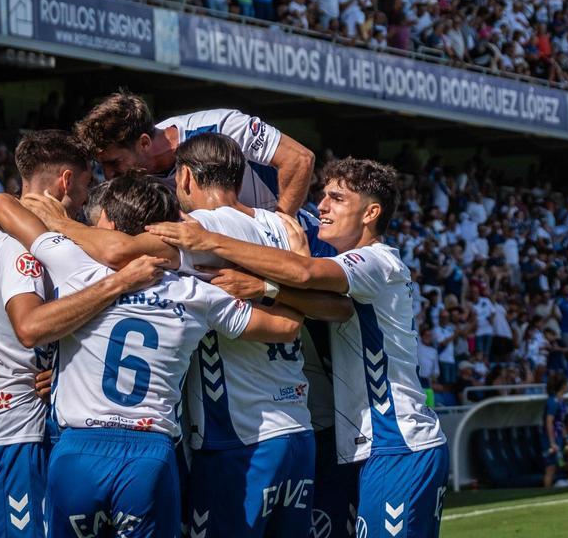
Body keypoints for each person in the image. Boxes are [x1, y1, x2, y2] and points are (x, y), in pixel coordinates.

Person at [0, 175, 305, 538]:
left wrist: (54, 219)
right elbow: (286, 327)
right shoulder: (195, 293)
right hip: (149, 455)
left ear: (108, 222)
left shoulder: (73, 262)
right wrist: (282, 275)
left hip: (78, 452)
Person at [146, 157, 450, 538]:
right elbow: (331, 308)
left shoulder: (376, 261)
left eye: (337, 198)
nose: (321, 206)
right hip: (367, 446)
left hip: (399, 442)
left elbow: (304, 274)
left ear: (371, 212)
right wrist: (268, 288)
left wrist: (211, 241)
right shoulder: (352, 273)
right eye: (323, 196)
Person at [0, 131, 166, 538]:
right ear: (66, 180)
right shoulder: (26, 248)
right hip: (16, 431)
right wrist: (118, 284)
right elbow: (30, 327)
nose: (88, 199)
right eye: (89, 185)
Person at [73, 92, 315, 214]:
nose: (108, 175)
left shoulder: (222, 127)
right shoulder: (137, 176)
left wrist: (279, 227)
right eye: (102, 165)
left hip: (298, 238)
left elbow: (300, 159)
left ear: (144, 143)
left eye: (114, 162)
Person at [541, 372, 568, 487]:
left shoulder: (561, 401)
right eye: (567, 383)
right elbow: (549, 422)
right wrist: (552, 442)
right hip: (551, 438)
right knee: (550, 468)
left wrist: (565, 437)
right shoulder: (552, 402)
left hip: (559, 437)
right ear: (562, 386)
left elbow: (560, 422)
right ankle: (546, 492)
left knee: (558, 465)